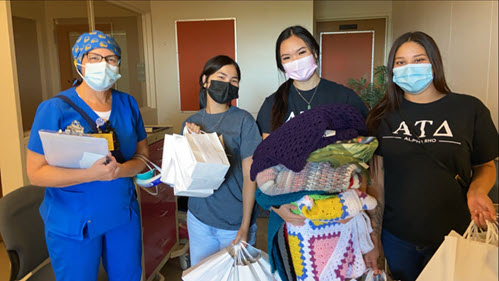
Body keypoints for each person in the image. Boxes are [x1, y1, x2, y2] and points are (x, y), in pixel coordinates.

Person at [366, 31, 498, 281]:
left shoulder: (469, 109)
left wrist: (477, 190)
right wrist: (374, 237)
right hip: (397, 237)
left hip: (455, 235)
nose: (409, 68)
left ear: (434, 63)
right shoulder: (381, 116)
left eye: (418, 60)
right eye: (400, 62)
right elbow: (376, 182)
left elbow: (485, 165)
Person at [26, 30, 148, 281]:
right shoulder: (54, 109)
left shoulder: (128, 104)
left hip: (121, 213)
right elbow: (36, 173)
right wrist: (90, 174)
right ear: (79, 62)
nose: (103, 64)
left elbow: (142, 156)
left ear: (118, 64)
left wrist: (120, 170)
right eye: (94, 58)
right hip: (73, 220)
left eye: (111, 58)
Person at [255, 25, 378, 270]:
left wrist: (353, 203)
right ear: (281, 66)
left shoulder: (344, 99)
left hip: (339, 215)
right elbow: (264, 167)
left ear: (315, 53)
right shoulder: (273, 106)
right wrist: (278, 208)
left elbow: (364, 157)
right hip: (291, 218)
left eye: (301, 52)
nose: (296, 61)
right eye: (287, 57)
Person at [182, 55, 262, 266]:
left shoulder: (244, 120)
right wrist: (194, 144)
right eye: (222, 77)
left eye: (234, 80)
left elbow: (249, 176)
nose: (227, 84)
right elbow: (187, 176)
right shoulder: (191, 122)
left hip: (234, 222)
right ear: (205, 81)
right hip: (199, 218)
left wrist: (245, 226)